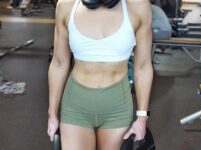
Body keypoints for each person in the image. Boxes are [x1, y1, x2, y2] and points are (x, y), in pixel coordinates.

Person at [47, 0, 153, 149]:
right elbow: (58, 63)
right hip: (75, 106)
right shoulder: (66, 5)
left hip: (117, 107)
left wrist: (142, 118)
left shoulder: (138, 6)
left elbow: (143, 67)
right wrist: (52, 114)